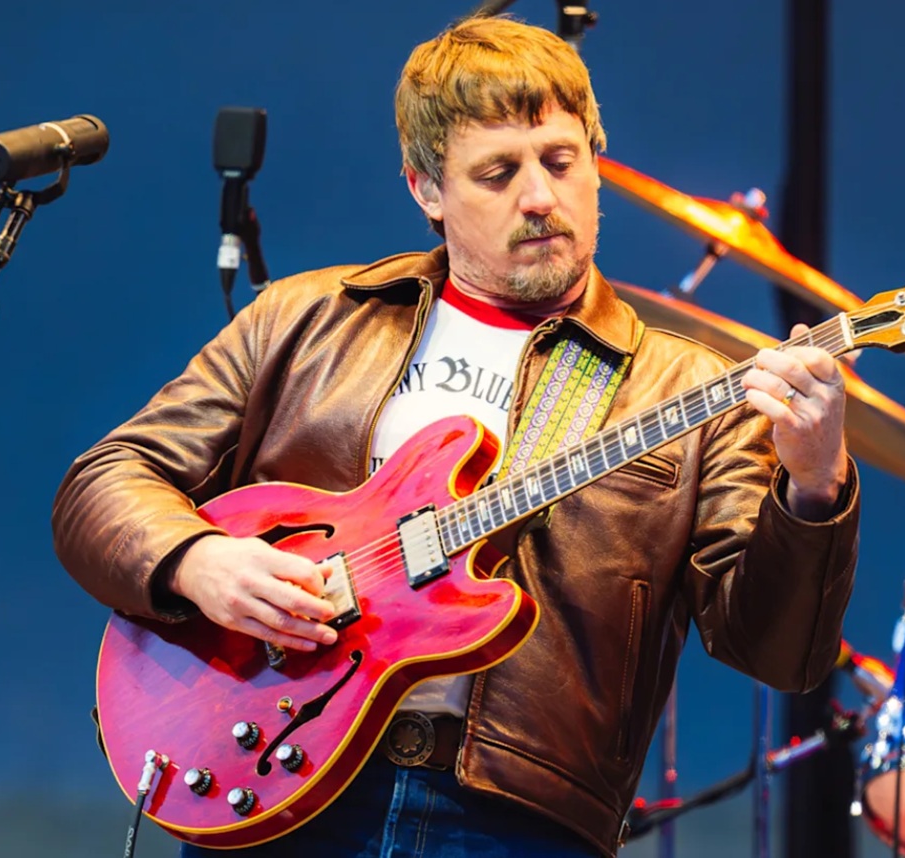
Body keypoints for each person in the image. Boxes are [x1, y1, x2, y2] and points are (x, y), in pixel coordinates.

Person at [52, 14, 859, 858]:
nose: (540, 196)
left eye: (561, 160)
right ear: (426, 189)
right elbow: (107, 480)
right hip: (272, 781)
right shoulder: (307, 320)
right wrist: (197, 563)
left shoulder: (690, 390)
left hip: (515, 824)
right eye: (497, 172)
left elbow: (780, 652)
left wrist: (812, 487)